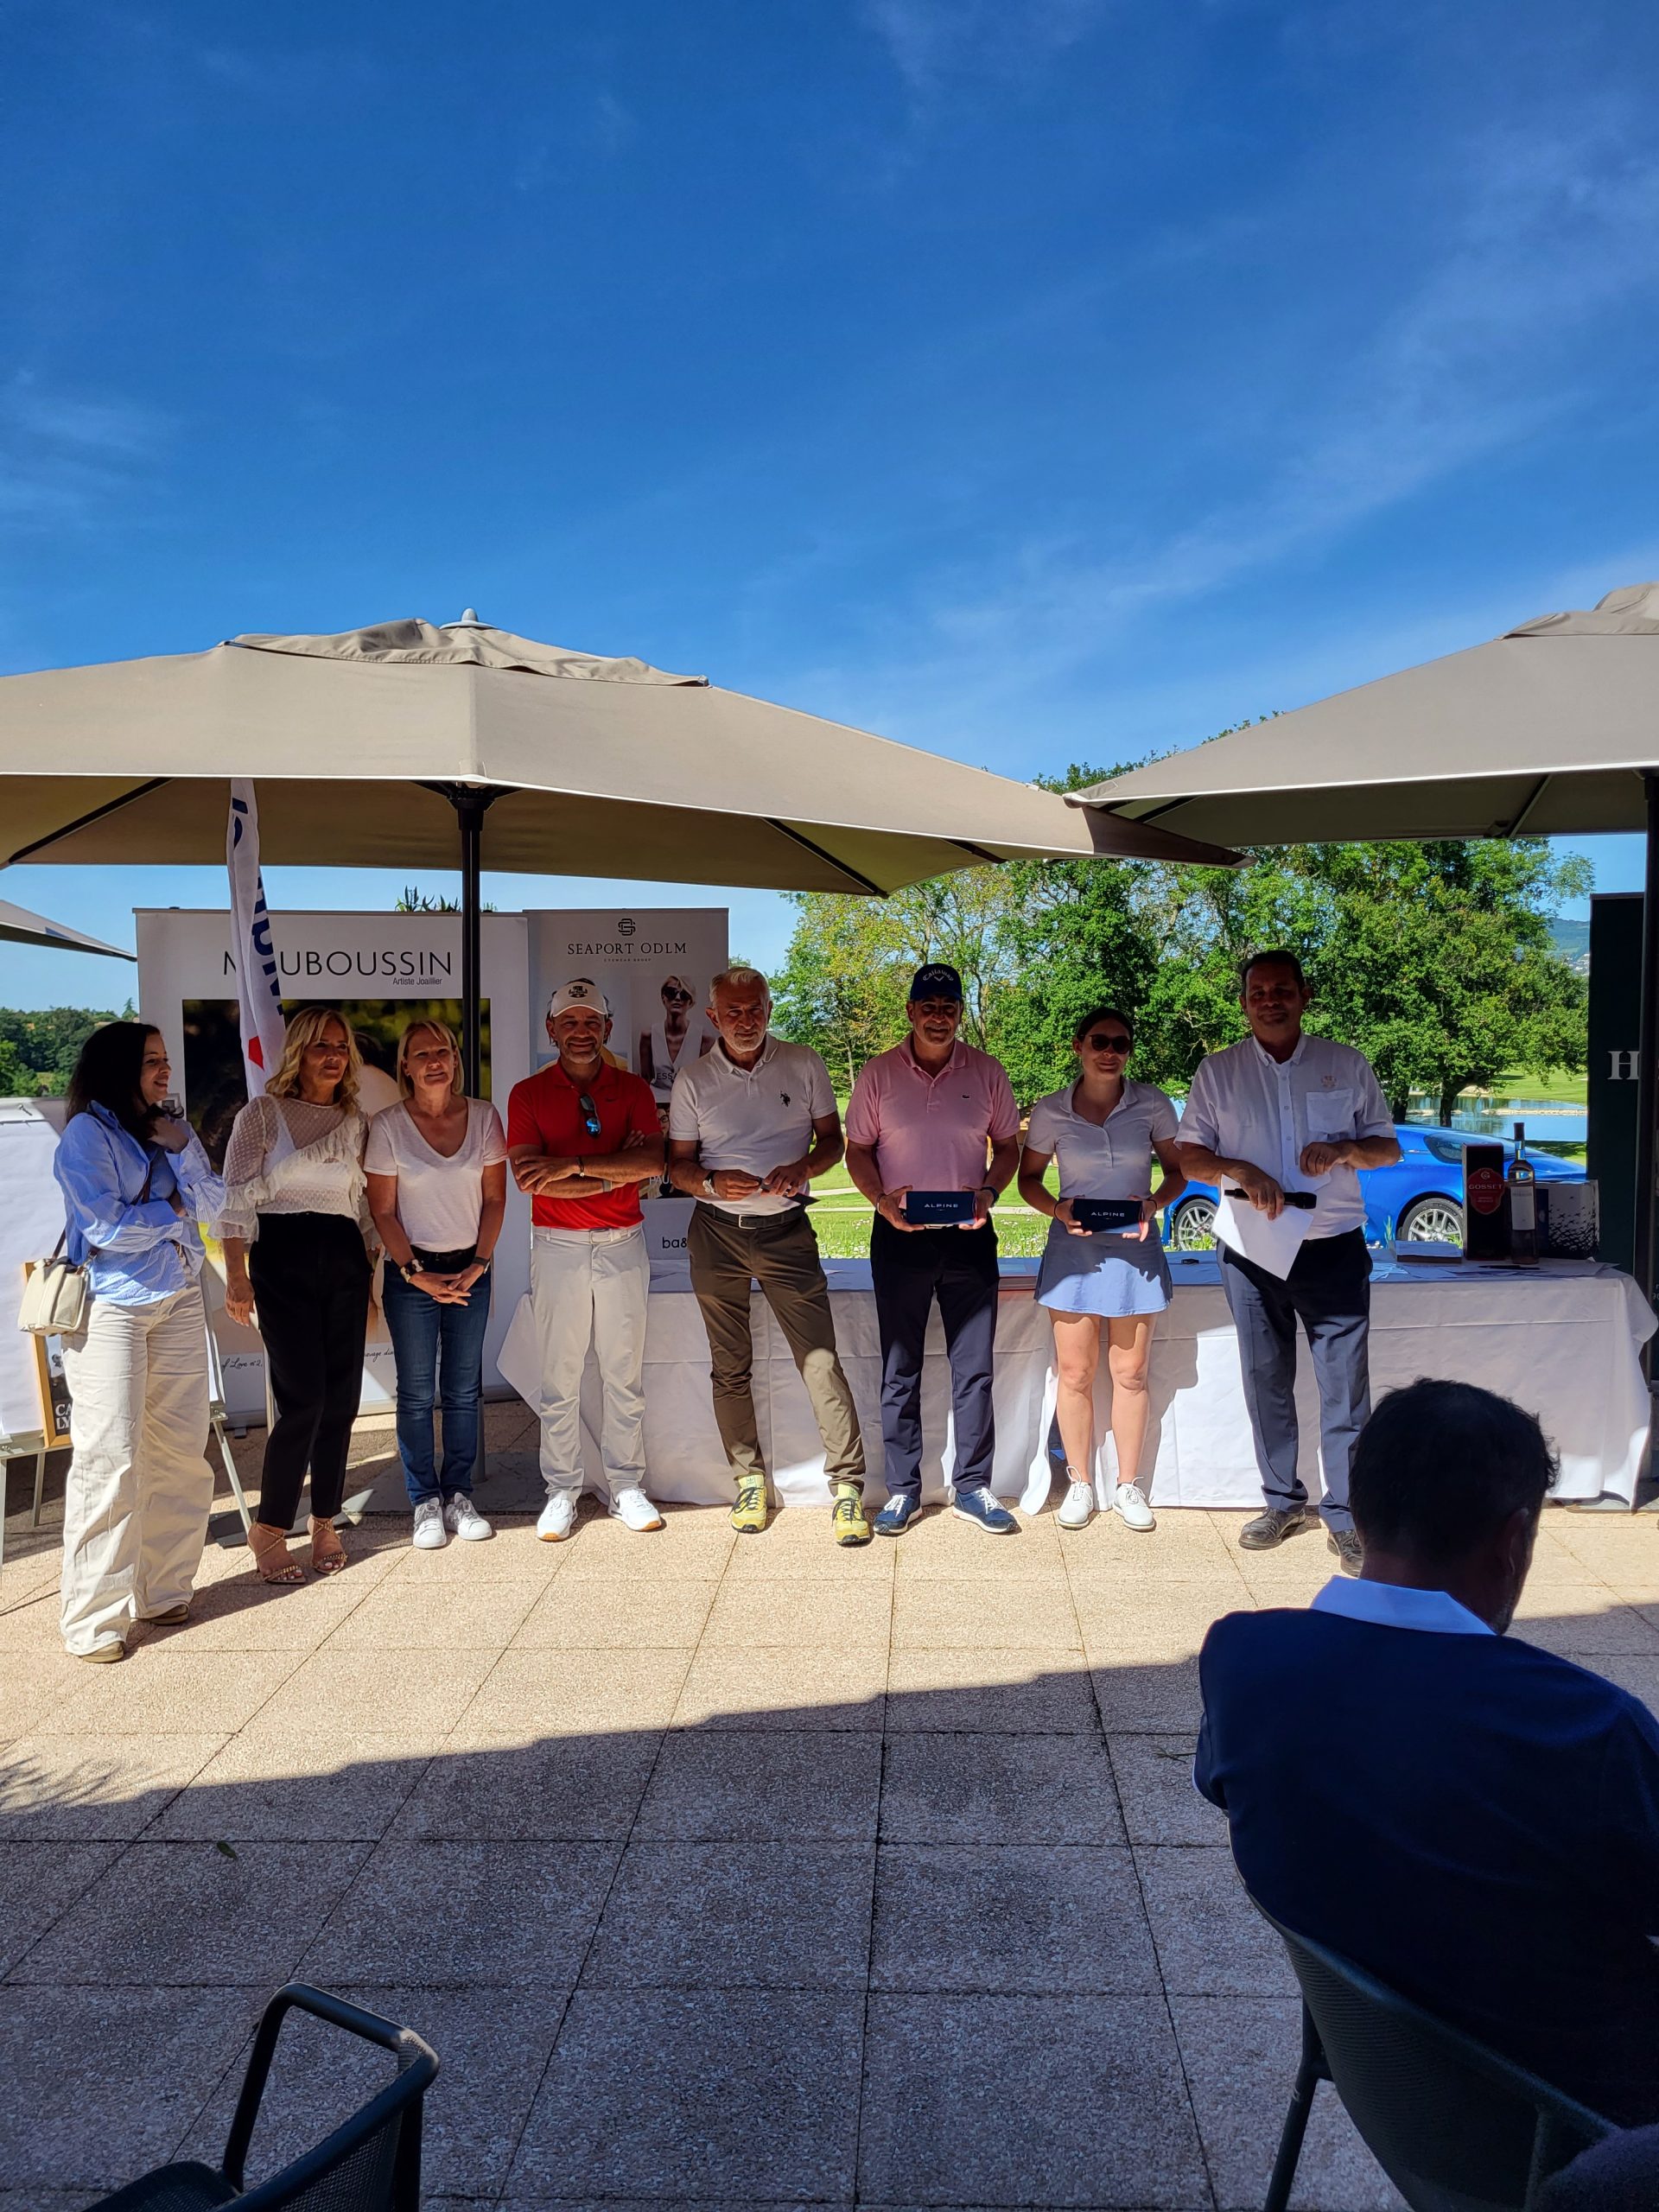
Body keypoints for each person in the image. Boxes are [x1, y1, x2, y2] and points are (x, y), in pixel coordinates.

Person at [1196, 1378, 1659, 2128]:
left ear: (1358, 1509)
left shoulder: (1242, 1659)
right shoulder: (1586, 1727)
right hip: (1585, 2134)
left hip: (1391, 2095)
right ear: (1512, 1541)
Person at [1174, 950, 1400, 1571]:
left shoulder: (1345, 1063)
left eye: (1281, 990)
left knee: (1345, 1389)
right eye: (1257, 992)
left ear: (1304, 995)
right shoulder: (1218, 1072)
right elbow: (1189, 1157)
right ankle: (1282, 1502)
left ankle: (1347, 1515)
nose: (1269, 1000)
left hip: (1333, 1246)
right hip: (1251, 1250)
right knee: (1266, 1379)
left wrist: (1346, 1149)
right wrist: (1237, 1169)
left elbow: (1387, 1149)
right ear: (1244, 1003)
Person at [666, 966, 869, 1545]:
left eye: (755, 1008)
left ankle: (848, 1488)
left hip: (787, 1231)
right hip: (716, 1234)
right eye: (733, 1012)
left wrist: (802, 1168)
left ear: (770, 1008)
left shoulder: (803, 1063)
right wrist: (710, 1183)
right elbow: (676, 1166)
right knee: (730, 1365)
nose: (746, 1020)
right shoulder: (693, 1080)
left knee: (820, 1360)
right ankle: (748, 1480)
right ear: (713, 1017)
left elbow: (833, 1142)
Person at [51, 1023, 226, 1661]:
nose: (164, 1070)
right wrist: (175, 1210)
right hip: (111, 1307)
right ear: (118, 1066)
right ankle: (93, 1621)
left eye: (165, 1059)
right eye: (152, 1060)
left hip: (178, 1295)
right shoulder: (86, 1134)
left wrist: (183, 1152)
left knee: (181, 1450)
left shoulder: (171, 1128)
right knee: (111, 1458)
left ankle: (163, 1590)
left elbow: (216, 1204)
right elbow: (106, 1228)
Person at [844, 963, 1021, 1536]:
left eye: (949, 1006)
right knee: (901, 1367)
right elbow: (856, 1150)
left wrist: (989, 1192)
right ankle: (902, 1491)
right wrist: (879, 1201)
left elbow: (1008, 1147)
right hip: (900, 1236)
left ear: (960, 1013)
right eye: (929, 1006)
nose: (939, 1016)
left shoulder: (987, 1072)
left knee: (975, 1369)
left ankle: (972, 1487)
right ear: (911, 1011)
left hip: (970, 1236)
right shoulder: (878, 1074)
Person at [506, 976, 666, 1538]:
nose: (581, 1031)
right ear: (551, 1029)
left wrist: (571, 1166)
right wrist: (612, 1172)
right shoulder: (527, 1094)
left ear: (607, 1028)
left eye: (591, 1022)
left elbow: (651, 1164)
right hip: (558, 1246)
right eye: (570, 1022)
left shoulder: (634, 1089)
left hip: (623, 1242)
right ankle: (562, 1490)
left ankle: (626, 1485)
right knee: (561, 1376)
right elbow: (531, 1179)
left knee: (624, 1373)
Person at [220, 1007, 375, 1582]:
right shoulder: (262, 1114)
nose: (333, 1056)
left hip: (344, 1257)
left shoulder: (357, 1121)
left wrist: (372, 1273)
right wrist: (236, 1275)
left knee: (342, 1401)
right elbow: (235, 1199)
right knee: (304, 1399)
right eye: (320, 1046)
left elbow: (363, 1207)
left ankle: (325, 1520)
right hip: (281, 1259)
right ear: (298, 1053)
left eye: (340, 1047)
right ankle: (269, 1526)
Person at [1018, 1006, 1187, 1531]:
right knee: (1075, 1374)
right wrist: (1057, 1210)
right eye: (1099, 1041)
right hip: (1074, 1254)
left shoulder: (1153, 1104)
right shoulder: (1050, 1111)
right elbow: (1027, 1181)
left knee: (1131, 1374)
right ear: (1079, 1046)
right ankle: (1081, 1482)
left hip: (1135, 1250)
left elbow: (1178, 1173)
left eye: (1120, 1043)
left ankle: (1128, 1485)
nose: (1109, 1052)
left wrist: (1154, 1203)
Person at [365, 1018, 507, 1549]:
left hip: (472, 1268)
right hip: (411, 1275)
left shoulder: (484, 1117)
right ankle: (424, 1500)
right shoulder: (388, 1126)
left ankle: (459, 1495)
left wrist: (480, 1263)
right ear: (405, 1065)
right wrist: (415, 1274)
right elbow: (382, 1210)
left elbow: (495, 1199)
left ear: (455, 1059)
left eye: (443, 1051)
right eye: (422, 1054)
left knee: (465, 1389)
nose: (434, 1062)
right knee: (417, 1392)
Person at [638, 972, 714, 1103]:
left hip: (690, 1105)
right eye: (671, 993)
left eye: (684, 995)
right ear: (663, 998)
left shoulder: (704, 1038)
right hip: (655, 1105)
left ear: (691, 1002)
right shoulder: (648, 1035)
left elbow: (705, 1082)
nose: (677, 998)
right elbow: (645, 1078)